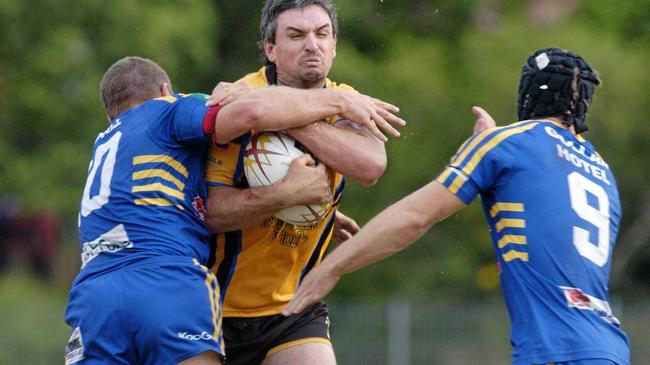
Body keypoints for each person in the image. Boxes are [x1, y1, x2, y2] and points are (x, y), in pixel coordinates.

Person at [285, 48, 631, 365]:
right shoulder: (602, 172)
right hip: (609, 347)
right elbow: (540, 207)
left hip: (556, 351)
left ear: (528, 92)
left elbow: (414, 217)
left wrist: (330, 269)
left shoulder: (506, 143)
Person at [64, 55, 401, 365]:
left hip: (93, 294)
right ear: (166, 90)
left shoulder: (105, 143)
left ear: (111, 112)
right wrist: (340, 100)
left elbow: (163, 195)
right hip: (164, 278)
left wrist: (315, 212)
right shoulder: (170, 108)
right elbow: (249, 114)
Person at [203, 1, 406, 364]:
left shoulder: (346, 99)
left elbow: (370, 165)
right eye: (296, 35)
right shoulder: (237, 100)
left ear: (334, 44)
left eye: (321, 33)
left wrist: (279, 115)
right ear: (270, 48)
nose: (312, 44)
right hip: (211, 304)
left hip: (294, 307)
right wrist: (284, 195)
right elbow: (212, 213)